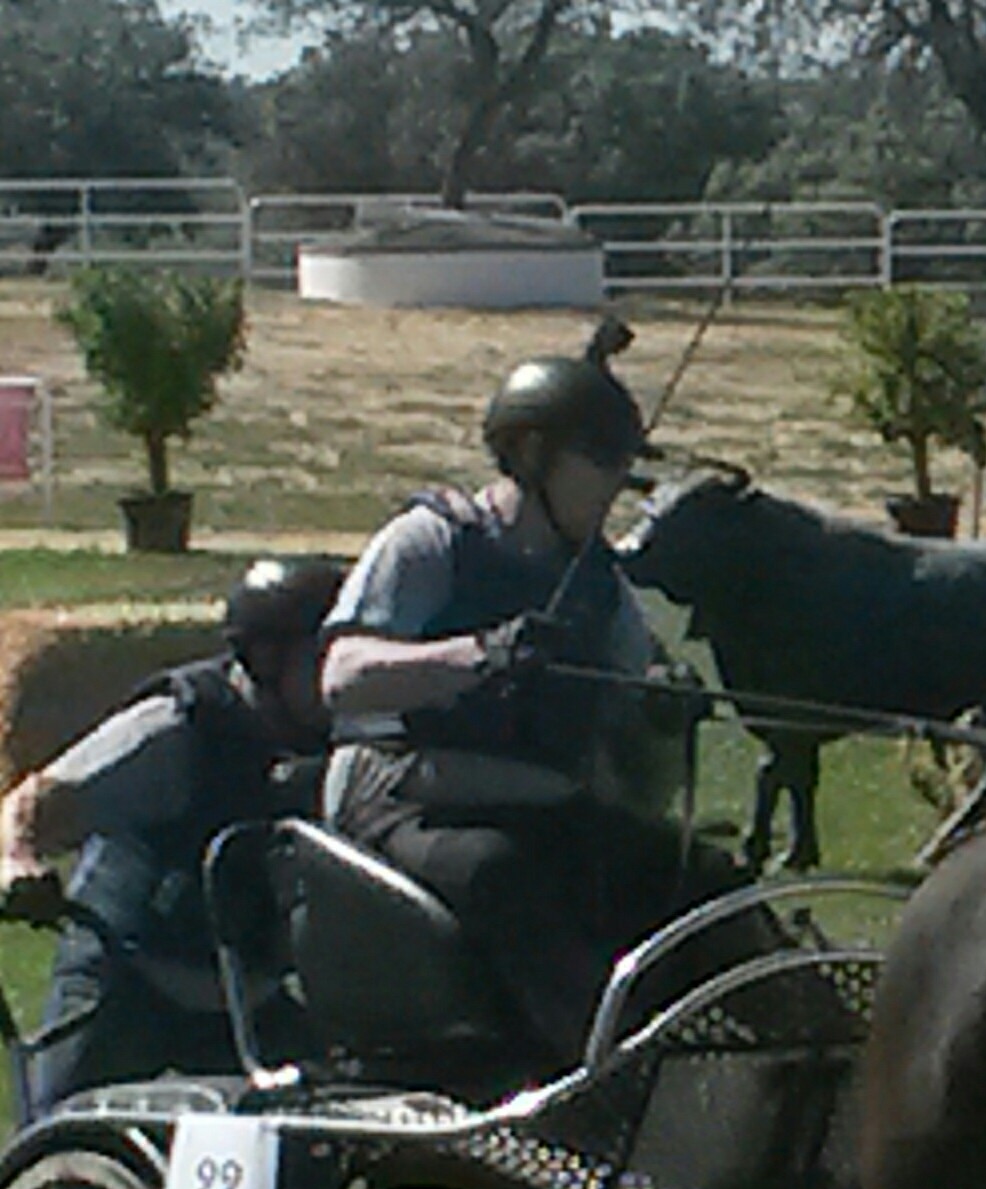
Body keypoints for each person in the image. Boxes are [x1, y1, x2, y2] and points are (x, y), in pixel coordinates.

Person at [319, 329, 721, 1073]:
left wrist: (667, 702)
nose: (614, 487)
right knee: (500, 875)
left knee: (703, 879)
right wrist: (477, 654)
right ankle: (599, 1078)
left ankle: (773, 1060)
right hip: (407, 798)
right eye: (600, 463)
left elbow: (637, 682)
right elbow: (343, 675)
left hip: (540, 804)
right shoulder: (431, 542)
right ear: (532, 453)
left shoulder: (598, 580)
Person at [0, 556, 345, 1113]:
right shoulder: (173, 728)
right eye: (325, 656)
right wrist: (18, 863)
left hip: (243, 995)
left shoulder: (345, 740)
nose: (343, 674)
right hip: (125, 974)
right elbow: (33, 802)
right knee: (54, 1145)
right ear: (266, 657)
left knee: (325, 1136)